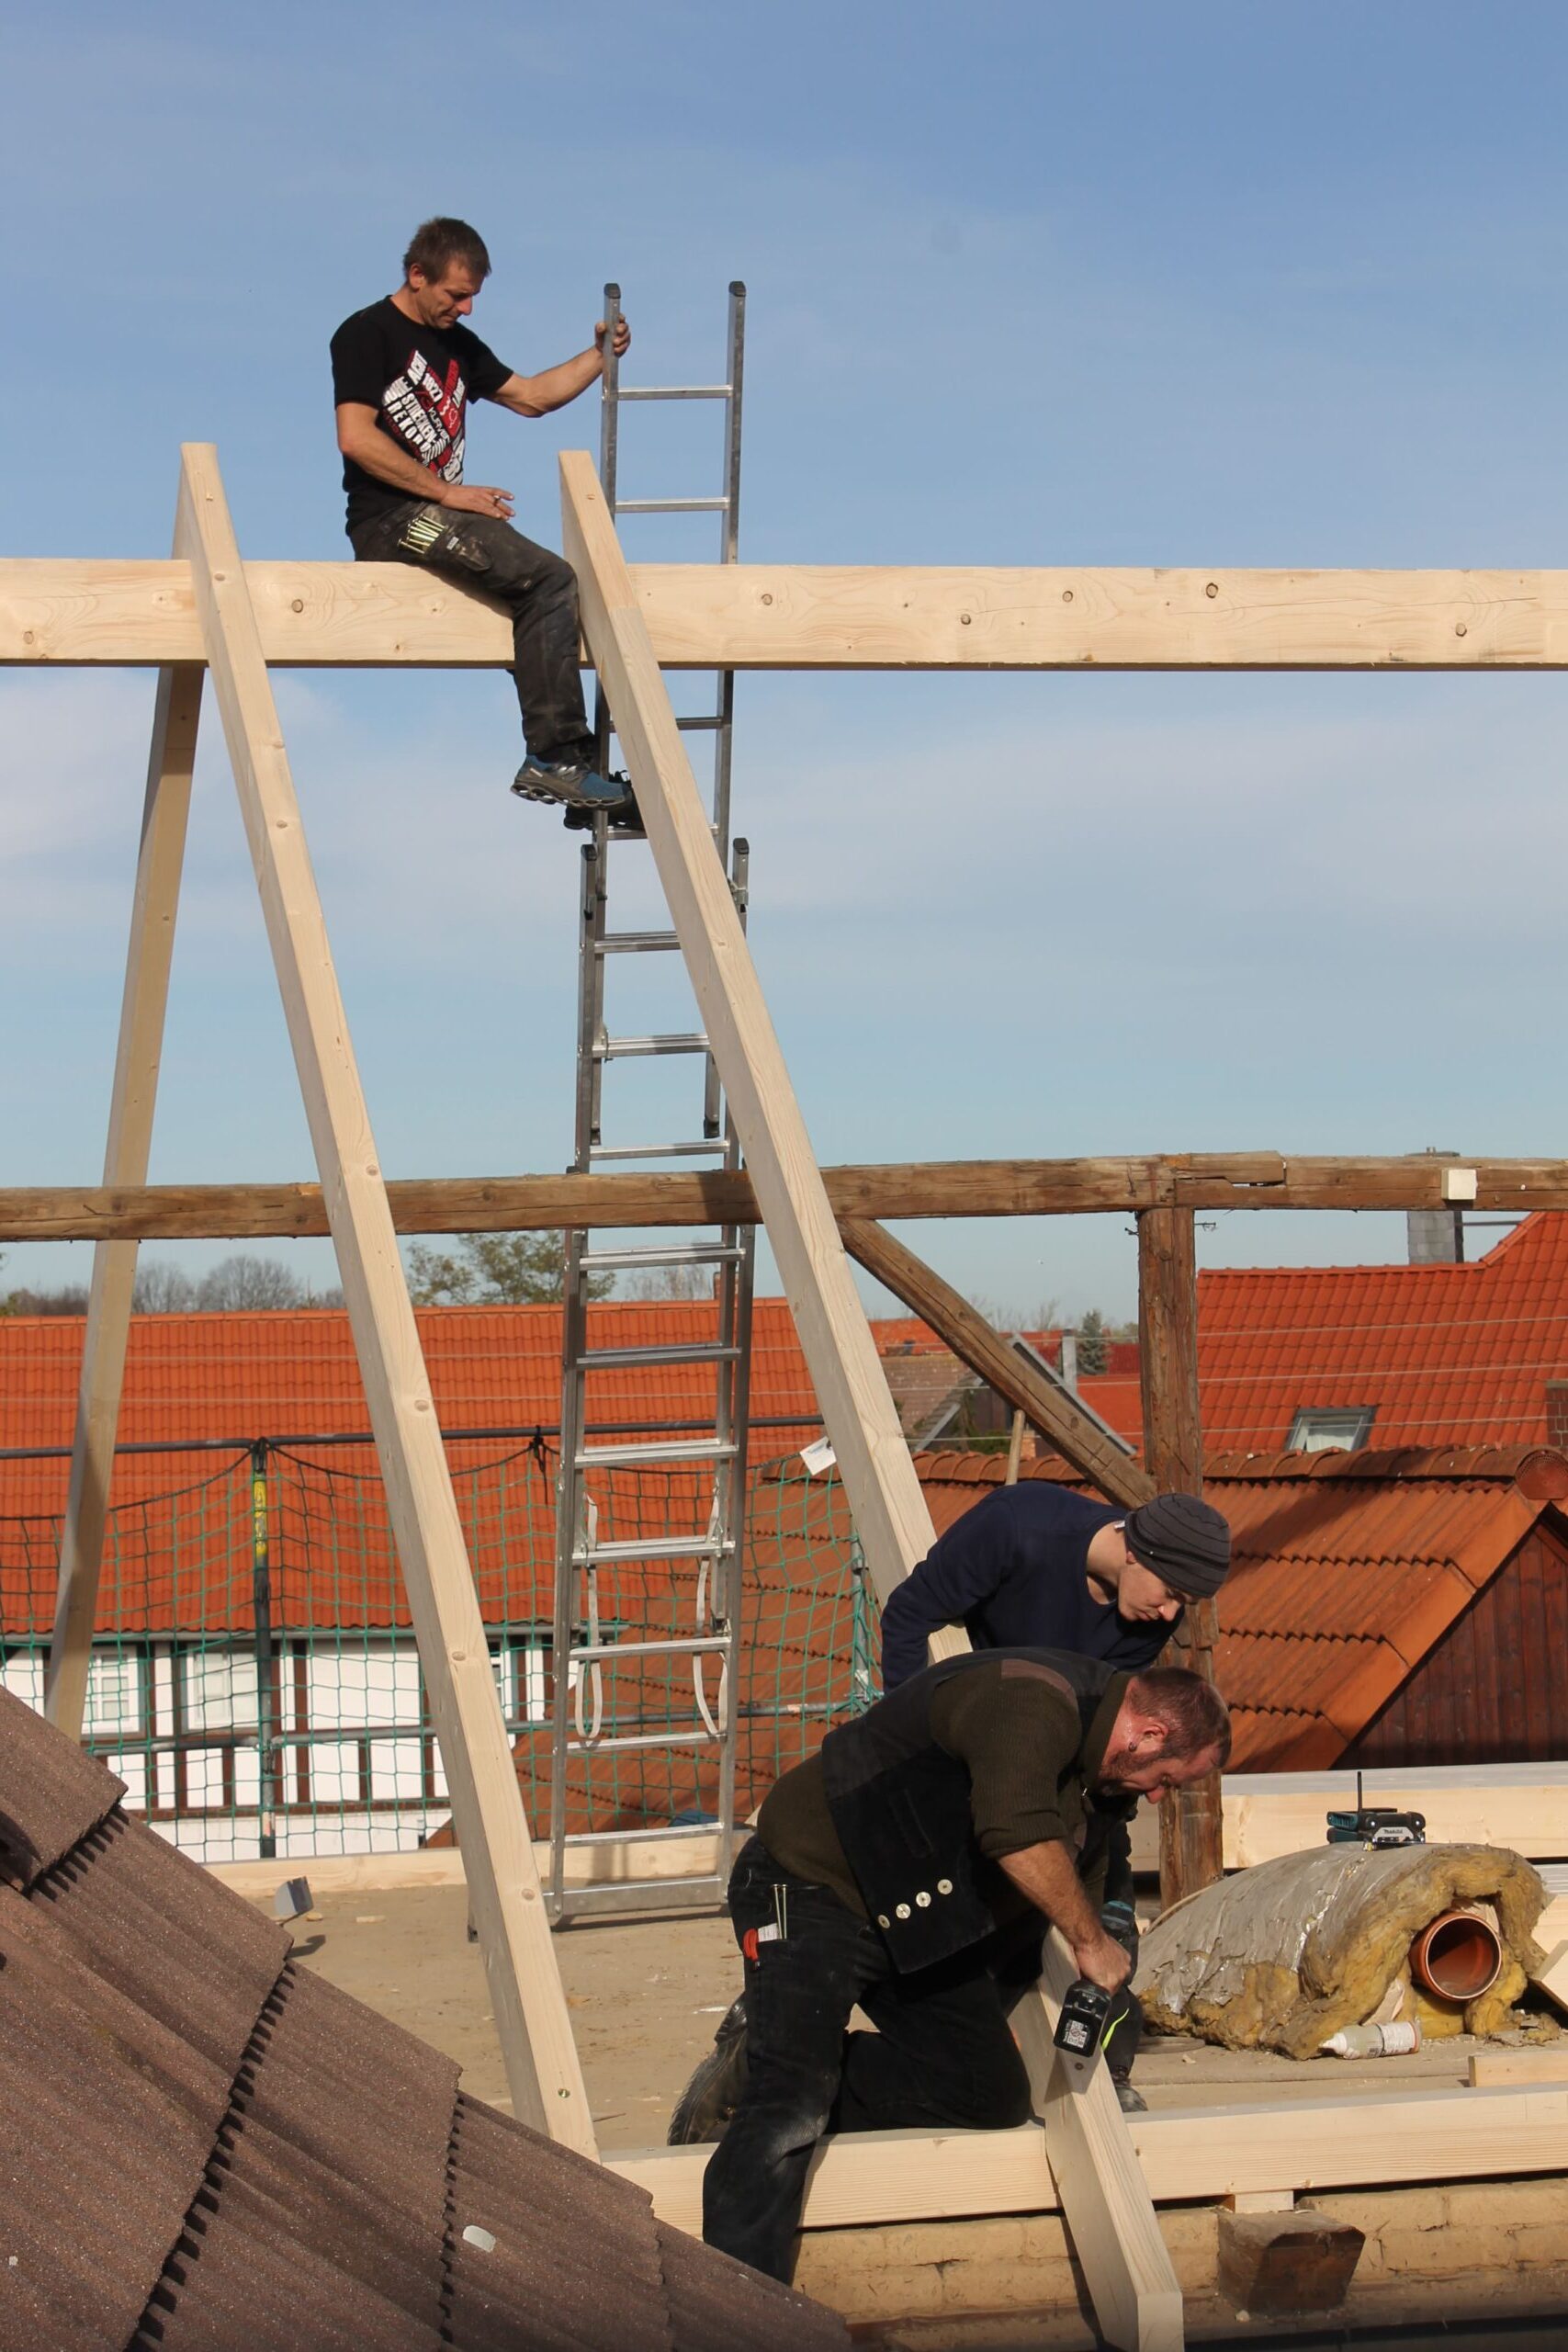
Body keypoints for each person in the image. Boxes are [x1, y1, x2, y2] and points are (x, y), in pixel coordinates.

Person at [690, 1648, 1230, 2283]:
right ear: (1150, 1734)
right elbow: (1017, 1834)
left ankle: (766, 2064)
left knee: (988, 2092)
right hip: (812, 1882)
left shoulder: (1104, 1782)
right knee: (790, 2104)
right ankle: (737, 2303)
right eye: (1168, 1780)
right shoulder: (1031, 1701)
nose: (1161, 1796)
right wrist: (1090, 1941)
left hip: (913, 1917)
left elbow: (1056, 1892)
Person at [330, 217, 637, 825]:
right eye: (455, 294)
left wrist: (600, 355)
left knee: (538, 603)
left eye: (472, 296)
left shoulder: (457, 344)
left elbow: (532, 397)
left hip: (435, 513)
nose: (465, 308)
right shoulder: (366, 333)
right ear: (417, 275)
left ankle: (575, 780)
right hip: (391, 521)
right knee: (547, 580)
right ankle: (555, 760)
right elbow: (356, 438)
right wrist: (449, 493)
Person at [880, 1484, 1233, 1691]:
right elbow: (908, 1614)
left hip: (1038, 1726)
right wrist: (905, 1736)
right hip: (961, 1686)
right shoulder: (1017, 1526)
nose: (1170, 1614)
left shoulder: (1153, 1615)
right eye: (1171, 1593)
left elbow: (1099, 1708)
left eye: (1184, 1602)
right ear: (1136, 1553)